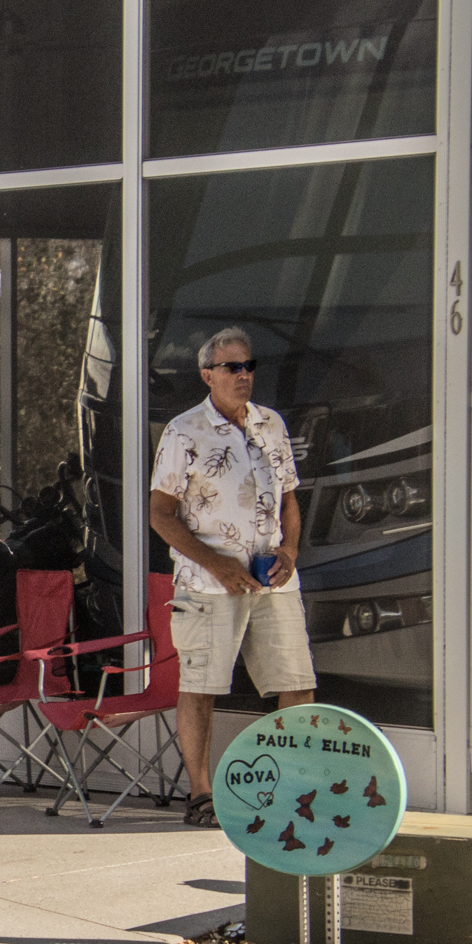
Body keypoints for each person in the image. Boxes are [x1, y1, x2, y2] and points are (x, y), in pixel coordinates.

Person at [148, 326, 316, 828]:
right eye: (232, 367)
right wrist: (217, 563)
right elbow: (160, 514)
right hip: (209, 584)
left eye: (248, 366)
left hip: (273, 580)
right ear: (208, 375)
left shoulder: (271, 424)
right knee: (201, 688)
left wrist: (290, 550)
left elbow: (289, 499)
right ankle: (201, 794)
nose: (243, 375)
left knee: (297, 684)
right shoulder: (183, 431)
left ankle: (291, 787)